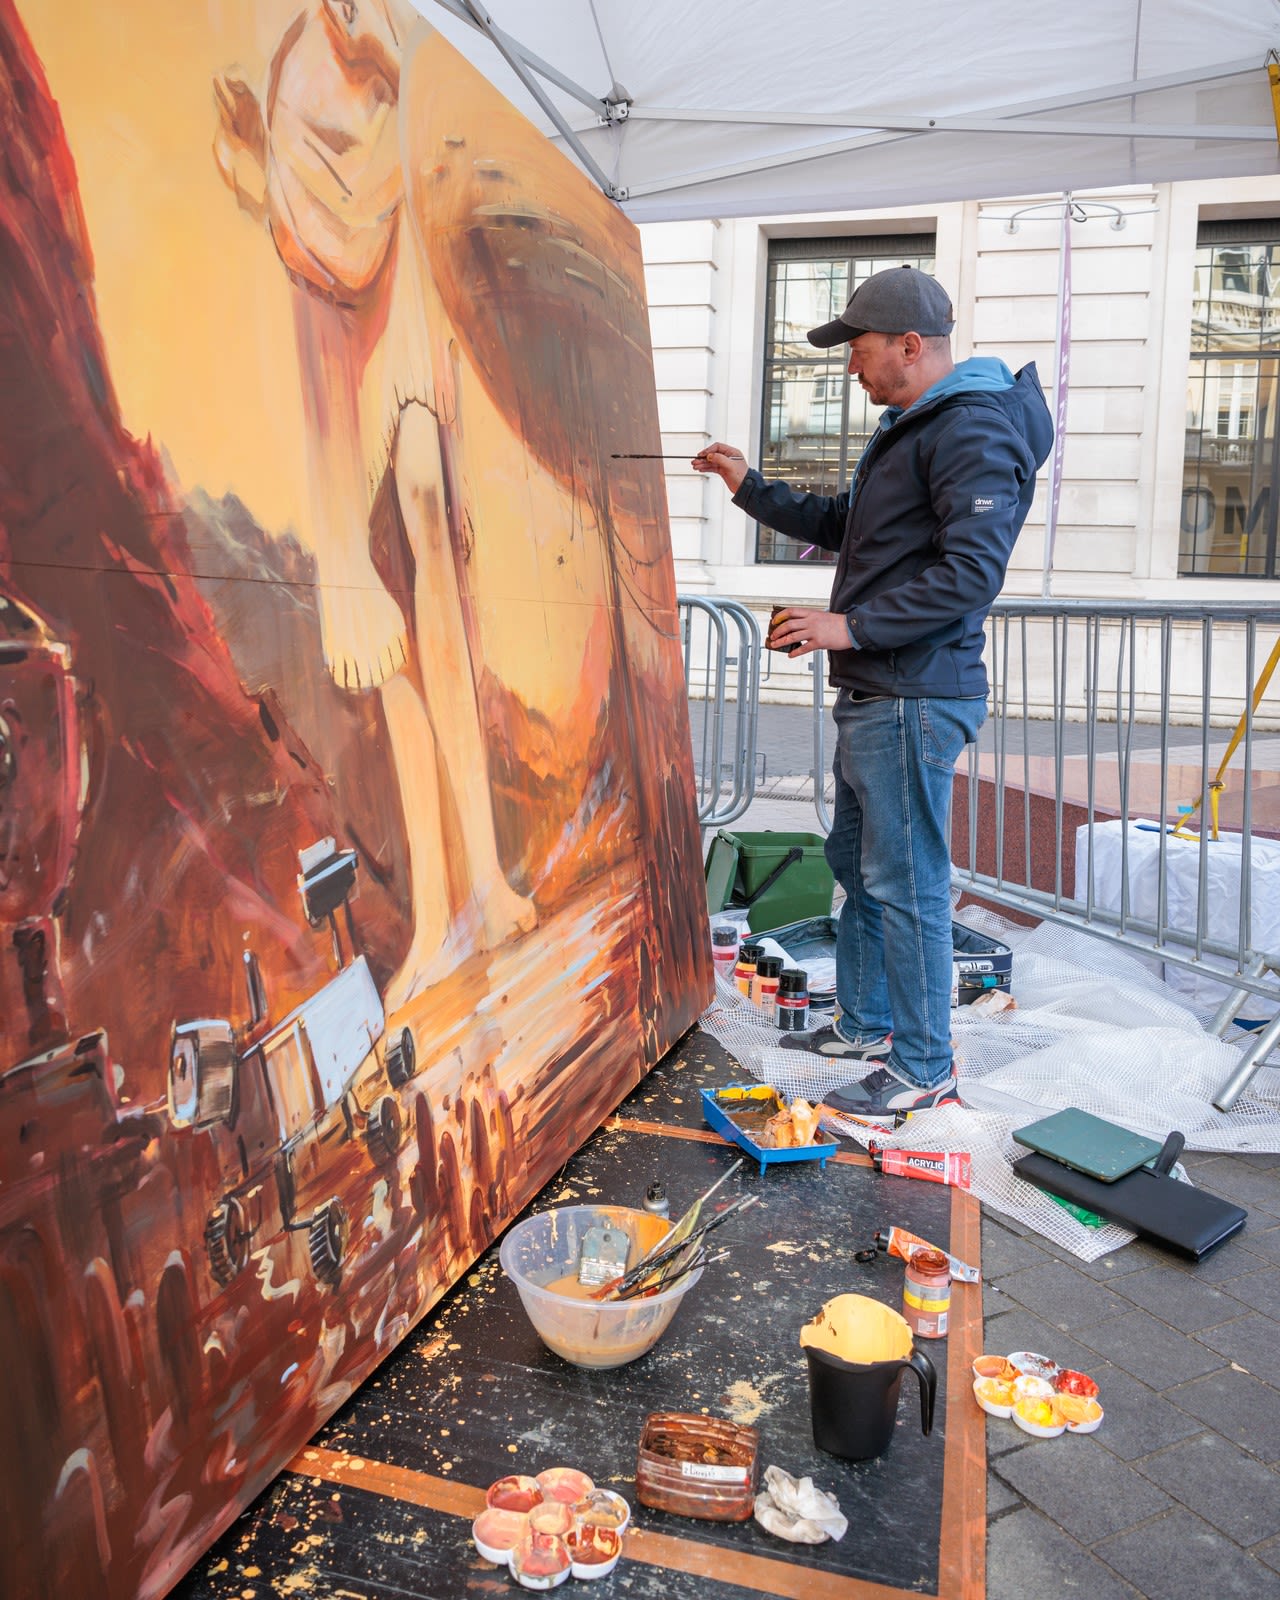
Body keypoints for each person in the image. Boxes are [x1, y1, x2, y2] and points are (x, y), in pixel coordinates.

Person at [693, 265, 1053, 1115]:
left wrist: (847, 626)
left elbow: (971, 575)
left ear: (910, 345)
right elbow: (843, 524)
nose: (850, 366)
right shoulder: (913, 425)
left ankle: (924, 1071)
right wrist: (748, 486)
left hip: (913, 694)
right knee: (859, 869)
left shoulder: (970, 427)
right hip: (882, 690)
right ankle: (864, 1026)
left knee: (908, 884)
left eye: (858, 349)